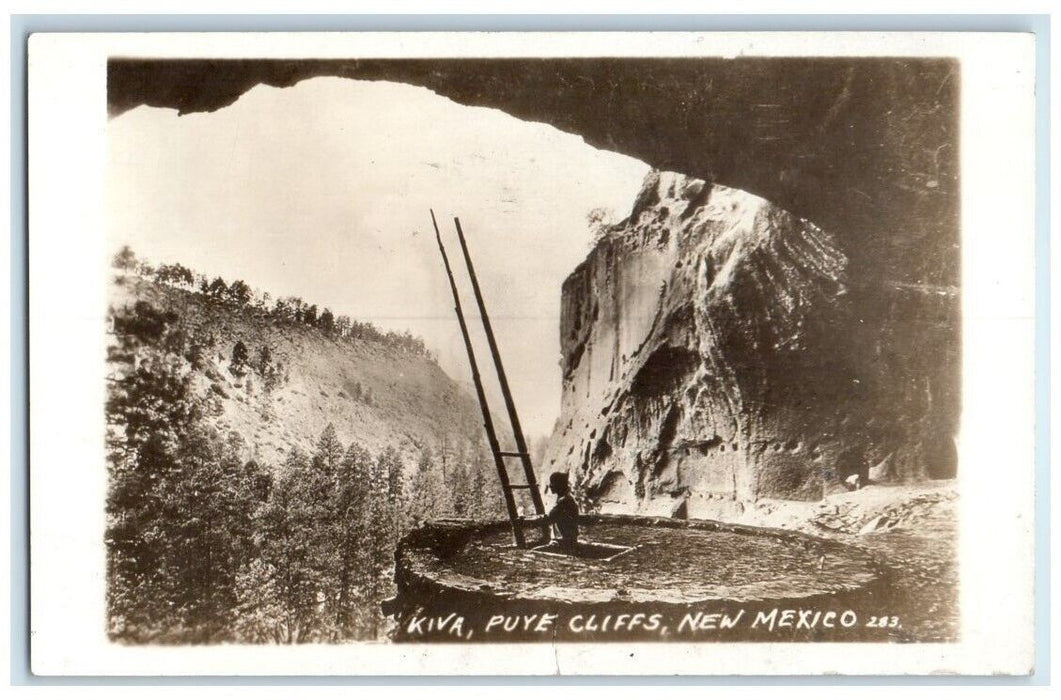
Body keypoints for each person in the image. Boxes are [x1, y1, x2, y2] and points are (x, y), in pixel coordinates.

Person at [524, 471, 579, 549]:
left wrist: (528, 520)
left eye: (552, 483)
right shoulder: (567, 498)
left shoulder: (564, 501)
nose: (550, 486)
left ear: (559, 485)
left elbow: (550, 518)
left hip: (564, 542)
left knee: (533, 550)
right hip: (568, 540)